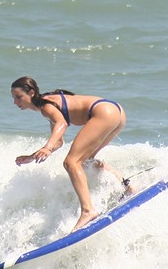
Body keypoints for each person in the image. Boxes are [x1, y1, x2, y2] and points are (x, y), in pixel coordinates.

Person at [11, 76, 128, 233]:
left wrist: (47, 147)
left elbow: (62, 124)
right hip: (115, 112)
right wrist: (32, 157)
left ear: (31, 93)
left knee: (71, 163)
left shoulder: (46, 107)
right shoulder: (48, 103)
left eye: (19, 97)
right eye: (14, 98)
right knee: (86, 161)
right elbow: (58, 142)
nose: (16, 102)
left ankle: (88, 211)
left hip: (103, 112)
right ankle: (127, 186)